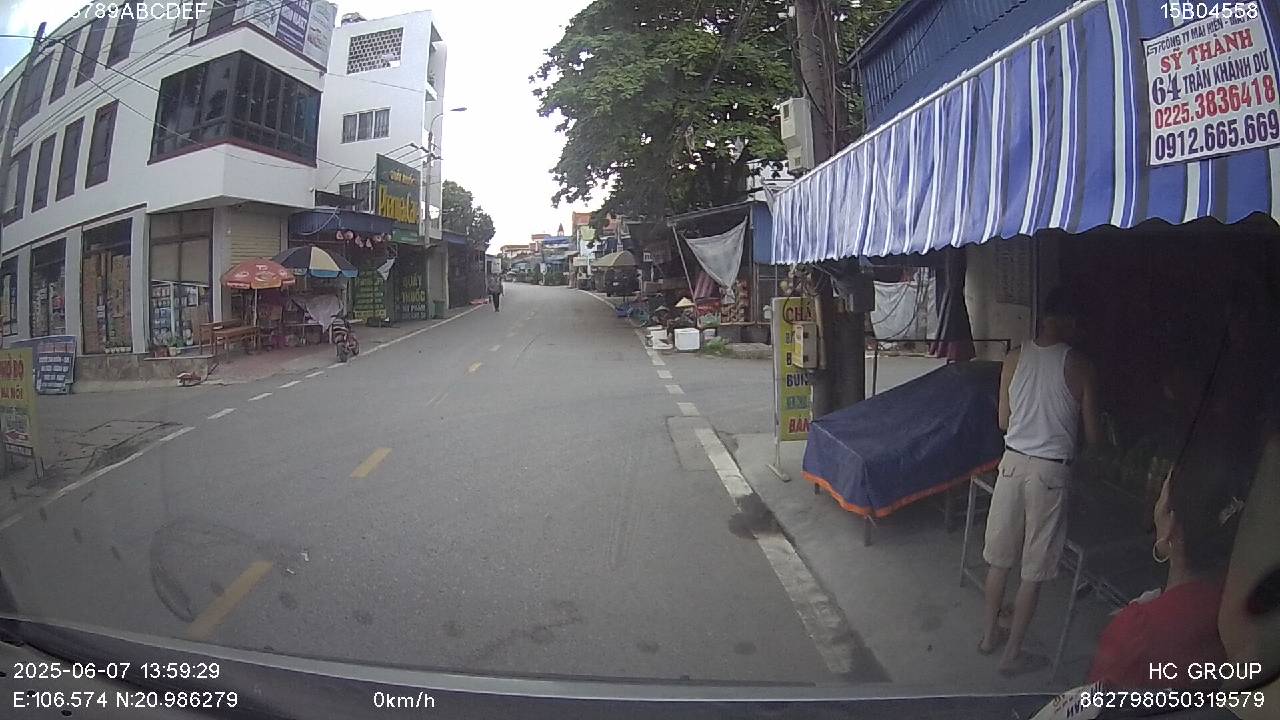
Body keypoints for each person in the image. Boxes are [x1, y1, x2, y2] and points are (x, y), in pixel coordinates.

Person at [979, 288, 1100, 676]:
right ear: (1068, 321)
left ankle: (989, 637)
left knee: (999, 560)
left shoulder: (1014, 358)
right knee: (1033, 568)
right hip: (1050, 472)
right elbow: (1093, 435)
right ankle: (1012, 655)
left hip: (1012, 465)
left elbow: (1003, 421)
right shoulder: (1080, 365)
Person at [1086, 438, 1244, 689]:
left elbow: (1093, 704)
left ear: (1170, 526)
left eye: (1162, 494)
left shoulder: (1135, 631)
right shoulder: (1243, 610)